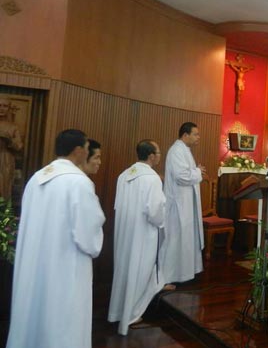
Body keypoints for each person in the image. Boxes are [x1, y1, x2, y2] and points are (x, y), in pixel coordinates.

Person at [6, 129, 105, 348]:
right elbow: (89, 234)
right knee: (62, 320)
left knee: (35, 314)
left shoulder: (37, 178)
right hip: (65, 267)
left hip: (34, 265)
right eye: (87, 149)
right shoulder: (79, 182)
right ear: (78, 151)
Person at [108, 140, 167, 335]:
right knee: (140, 270)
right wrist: (163, 221)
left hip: (125, 231)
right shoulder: (152, 178)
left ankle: (118, 311)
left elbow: (118, 205)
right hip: (143, 233)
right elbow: (155, 212)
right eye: (158, 153)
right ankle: (132, 314)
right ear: (151, 156)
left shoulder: (124, 175)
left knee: (125, 269)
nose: (160, 156)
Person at [162, 122, 205, 284]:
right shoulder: (176, 151)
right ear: (185, 135)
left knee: (185, 239)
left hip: (185, 203)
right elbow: (181, 176)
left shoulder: (184, 150)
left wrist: (195, 171)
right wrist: (198, 171)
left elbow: (186, 173)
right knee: (175, 240)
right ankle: (170, 276)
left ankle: (184, 273)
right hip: (178, 204)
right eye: (195, 134)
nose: (198, 137)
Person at [0, 95, 23, 199]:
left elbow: (19, 146)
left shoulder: (13, 127)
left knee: (4, 187)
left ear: (9, 108)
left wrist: (9, 140)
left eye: (5, 106)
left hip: (6, 159)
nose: (2, 108)